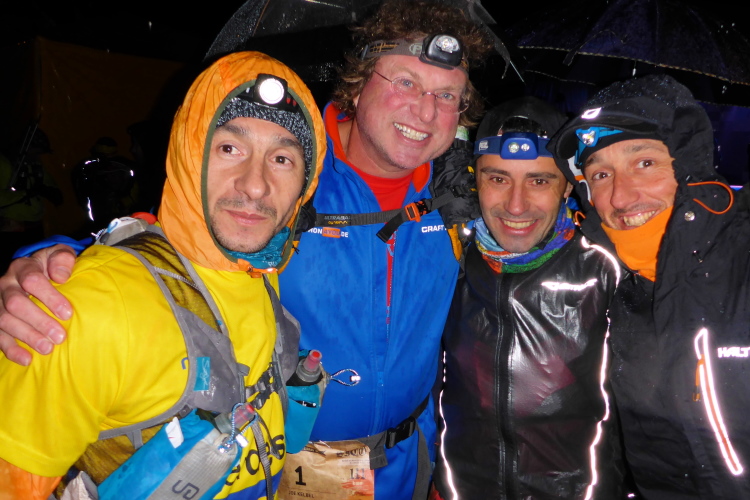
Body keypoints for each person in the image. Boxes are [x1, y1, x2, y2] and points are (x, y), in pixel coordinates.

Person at [0, 2, 493, 498]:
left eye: (446, 95)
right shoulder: (288, 170)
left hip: (409, 462)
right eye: (405, 82)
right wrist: (51, 262)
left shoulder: (461, 196)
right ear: (360, 81)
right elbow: (179, 234)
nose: (425, 111)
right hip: (293, 468)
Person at [0, 50, 326, 499]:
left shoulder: (260, 270)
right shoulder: (91, 304)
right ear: (191, 152)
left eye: (282, 159)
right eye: (229, 148)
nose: (255, 185)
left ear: (305, 182)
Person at [550, 74, 750, 499]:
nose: (621, 198)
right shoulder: (610, 296)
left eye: (644, 163)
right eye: (601, 174)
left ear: (687, 162)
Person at [432, 97, 623, 500]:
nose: (516, 206)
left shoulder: (608, 267)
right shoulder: (449, 258)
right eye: (498, 179)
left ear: (567, 185)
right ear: (476, 180)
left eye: (539, 181)